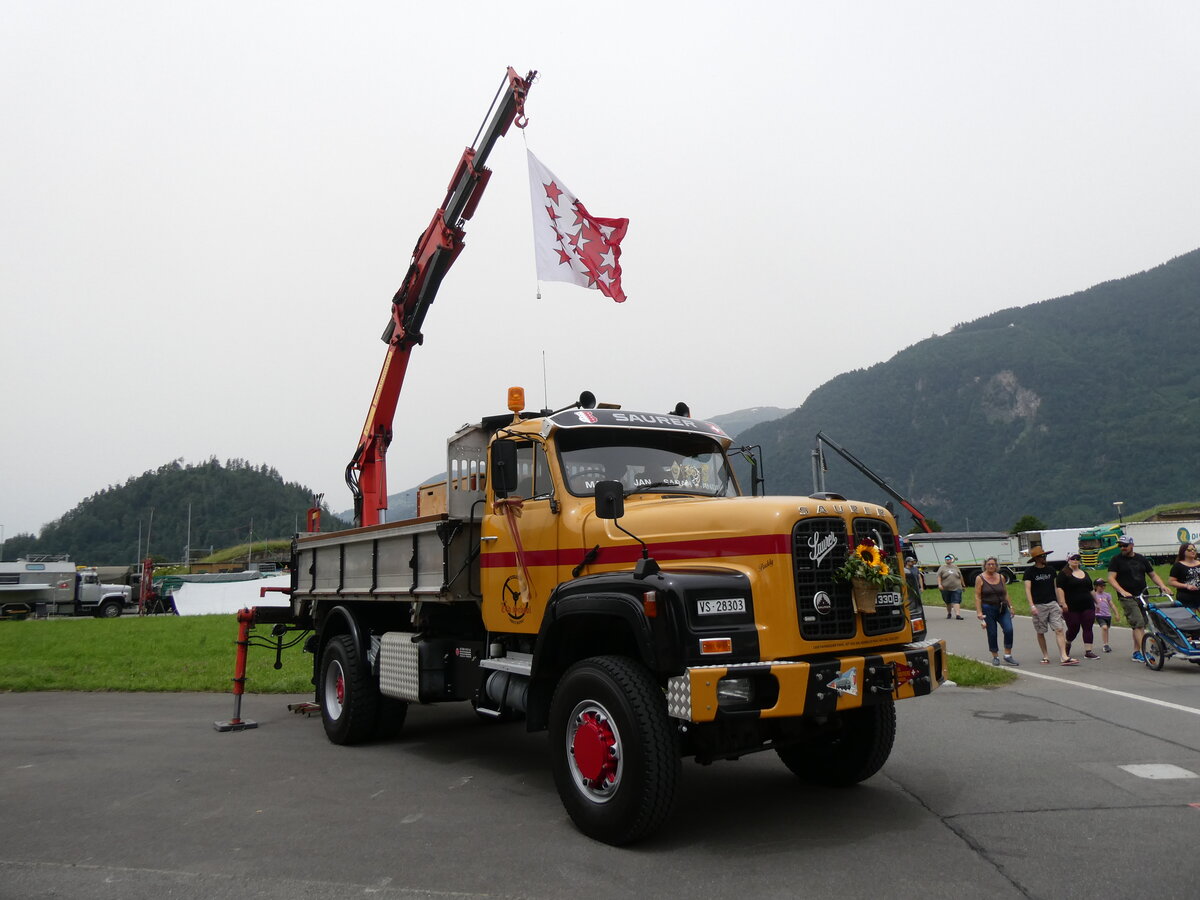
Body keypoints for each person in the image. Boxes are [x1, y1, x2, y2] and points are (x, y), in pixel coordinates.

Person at [1107, 534, 1172, 661]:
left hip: (1142, 595)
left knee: (1141, 623)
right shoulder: (1116, 560)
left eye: (1125, 545)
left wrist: (1163, 586)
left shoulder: (1141, 559)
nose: (1122, 548)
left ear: (1132, 545)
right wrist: (1122, 591)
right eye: (1120, 546)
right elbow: (1111, 578)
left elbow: (1153, 575)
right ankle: (1143, 653)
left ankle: (1136, 652)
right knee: (1138, 623)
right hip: (1127, 597)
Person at [1024, 546, 1075, 665]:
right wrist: (1032, 606)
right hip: (1038, 605)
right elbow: (1027, 589)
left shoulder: (1051, 570)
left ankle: (1063, 656)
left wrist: (1060, 603)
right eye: (1042, 556)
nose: (1045, 557)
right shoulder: (1029, 572)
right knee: (1041, 631)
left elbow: (1056, 587)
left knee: (1059, 629)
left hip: (1052, 603)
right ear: (1036, 558)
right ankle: (1045, 656)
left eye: (1045, 555)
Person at [974, 556, 1019, 666]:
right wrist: (979, 612)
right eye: (989, 564)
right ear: (985, 565)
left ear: (996, 566)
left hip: (1002, 608)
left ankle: (1008, 655)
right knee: (992, 633)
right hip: (988, 609)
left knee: (1009, 629)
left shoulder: (1001, 577)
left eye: (993, 564)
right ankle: (995, 656)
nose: (991, 566)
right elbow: (977, 596)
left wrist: (1011, 606)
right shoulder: (980, 578)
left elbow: (1005, 593)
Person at [1057, 553, 1098, 660]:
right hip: (1071, 606)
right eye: (1073, 559)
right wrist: (1063, 603)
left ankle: (1088, 651)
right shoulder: (1064, 573)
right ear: (1068, 560)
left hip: (1087, 605)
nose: (1075, 560)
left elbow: (1091, 589)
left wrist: (1097, 602)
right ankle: (1067, 642)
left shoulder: (1085, 573)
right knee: (1074, 627)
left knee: (1088, 626)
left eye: (1077, 559)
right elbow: (1060, 588)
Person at [1168, 542, 1200, 609]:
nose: (1193, 551)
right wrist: (1186, 586)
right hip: (1186, 597)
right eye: (1189, 550)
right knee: (1191, 618)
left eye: (1194, 549)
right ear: (1183, 552)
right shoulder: (1178, 566)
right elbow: (1171, 582)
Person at [937, 554, 965, 620]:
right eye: (946, 559)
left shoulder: (956, 567)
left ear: (951, 560)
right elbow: (939, 576)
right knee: (948, 601)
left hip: (957, 587)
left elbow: (960, 576)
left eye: (949, 559)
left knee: (956, 600)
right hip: (945, 588)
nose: (948, 560)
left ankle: (958, 615)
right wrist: (939, 584)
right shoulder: (942, 567)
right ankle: (949, 613)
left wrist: (963, 585)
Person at [1092, 577, 1115, 653]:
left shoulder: (1107, 595)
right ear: (1095, 586)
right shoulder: (1094, 595)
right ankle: (1105, 645)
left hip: (1107, 615)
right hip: (1099, 615)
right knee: (1104, 628)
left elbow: (1111, 604)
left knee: (1106, 629)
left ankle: (1106, 644)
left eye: (1104, 585)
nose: (1103, 587)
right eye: (1101, 586)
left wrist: (1116, 613)